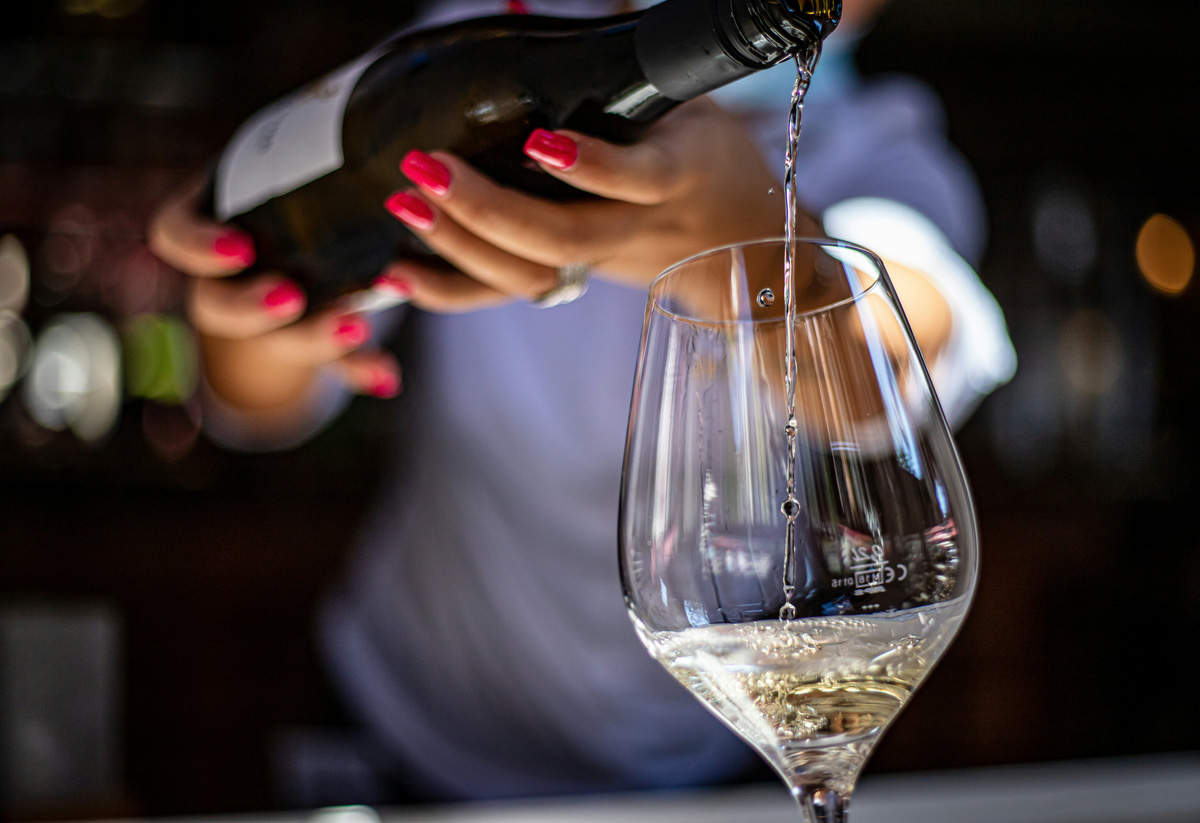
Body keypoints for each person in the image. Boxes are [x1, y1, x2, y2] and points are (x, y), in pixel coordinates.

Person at [149, 0, 1015, 806]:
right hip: (412, 736)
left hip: (705, 767)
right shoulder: (509, 43)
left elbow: (890, 360)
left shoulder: (880, 144)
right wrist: (256, 303)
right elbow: (256, 405)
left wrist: (749, 250)